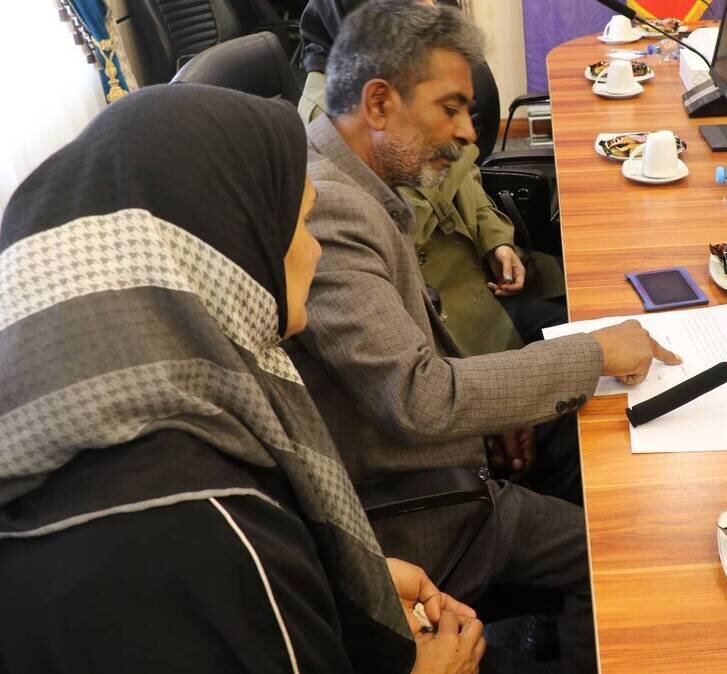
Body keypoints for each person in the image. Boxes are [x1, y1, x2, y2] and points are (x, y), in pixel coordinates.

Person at [0, 84, 482, 674]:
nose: (315, 250)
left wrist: (339, 584)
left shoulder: (128, 438)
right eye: (301, 222)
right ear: (229, 245)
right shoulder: (206, 524)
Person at [290, 3, 680, 671]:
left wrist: (502, 410)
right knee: (622, 549)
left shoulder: (357, 181)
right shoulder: (330, 211)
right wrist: (591, 353)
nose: (468, 132)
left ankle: (554, 626)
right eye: (450, 109)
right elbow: (417, 398)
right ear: (378, 103)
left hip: (436, 457)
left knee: (599, 436)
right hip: (420, 507)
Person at [300, 0, 564, 357]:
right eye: (449, 110)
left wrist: (495, 240)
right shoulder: (336, 119)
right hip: (447, 324)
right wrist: (455, 158)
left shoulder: (405, 78)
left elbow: (467, 177)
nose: (433, 6)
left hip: (479, 283)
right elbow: (405, 225)